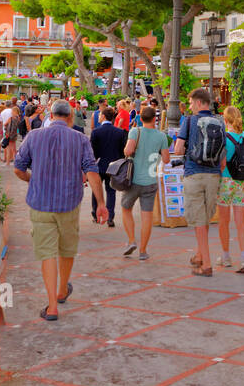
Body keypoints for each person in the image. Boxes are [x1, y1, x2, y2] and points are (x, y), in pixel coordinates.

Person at [13, 99, 108, 322]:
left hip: (40, 204)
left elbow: (18, 169)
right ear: (70, 116)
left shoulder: (34, 136)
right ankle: (62, 289)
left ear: (51, 114)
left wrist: (31, 179)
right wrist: (101, 204)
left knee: (47, 254)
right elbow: (92, 172)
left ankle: (52, 307)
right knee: (66, 249)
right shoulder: (80, 139)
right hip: (69, 204)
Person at [173, 87, 226, 277]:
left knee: (199, 221)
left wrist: (184, 145)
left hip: (194, 174)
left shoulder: (189, 120)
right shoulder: (220, 122)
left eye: (190, 103)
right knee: (204, 220)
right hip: (213, 176)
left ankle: (207, 265)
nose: (189, 106)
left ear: (198, 102)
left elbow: (178, 149)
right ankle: (199, 255)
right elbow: (223, 158)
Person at [121, 105, 170, 259]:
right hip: (150, 180)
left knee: (126, 208)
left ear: (141, 119)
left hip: (133, 179)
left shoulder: (136, 131)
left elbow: (128, 151)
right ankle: (143, 251)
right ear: (155, 119)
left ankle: (131, 241)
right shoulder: (161, 136)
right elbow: (167, 159)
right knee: (146, 215)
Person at [215, 105, 244, 272]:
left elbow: (221, 163)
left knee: (223, 221)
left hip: (225, 182)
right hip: (242, 183)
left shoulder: (223, 138)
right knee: (240, 222)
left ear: (225, 120)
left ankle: (226, 256)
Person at [90, 109, 127, 227]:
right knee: (111, 191)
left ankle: (96, 215)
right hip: (114, 167)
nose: (98, 116)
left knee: (96, 189)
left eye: (100, 115)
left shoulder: (96, 132)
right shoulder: (120, 132)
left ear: (104, 116)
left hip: (99, 165)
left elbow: (92, 151)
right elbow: (123, 151)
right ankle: (110, 217)